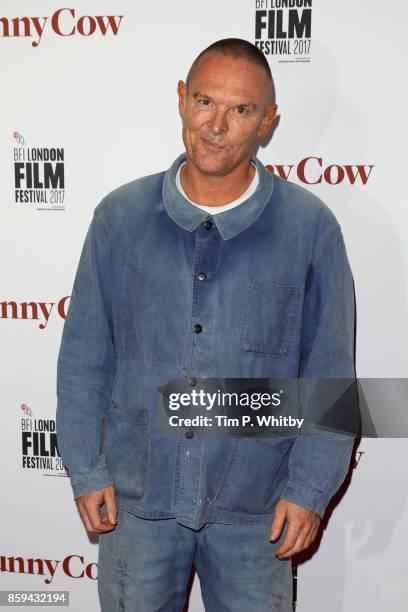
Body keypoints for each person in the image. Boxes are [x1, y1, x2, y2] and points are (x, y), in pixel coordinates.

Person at [56, 38, 356, 611]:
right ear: (180, 100)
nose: (216, 125)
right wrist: (87, 468)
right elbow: (85, 359)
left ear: (267, 120)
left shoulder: (309, 229)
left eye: (240, 110)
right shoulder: (118, 219)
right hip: (135, 504)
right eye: (203, 101)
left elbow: (330, 376)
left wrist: (310, 489)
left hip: (258, 509)